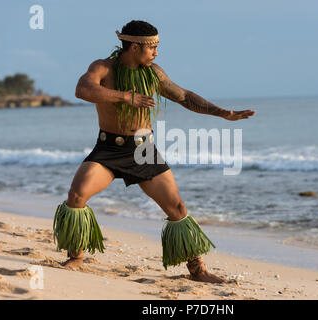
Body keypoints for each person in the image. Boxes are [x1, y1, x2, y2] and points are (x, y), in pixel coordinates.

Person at [52, 20, 255, 283]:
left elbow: (184, 96)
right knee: (76, 196)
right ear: (135, 47)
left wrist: (222, 113)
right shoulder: (103, 67)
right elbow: (83, 89)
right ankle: (77, 256)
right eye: (153, 48)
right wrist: (126, 97)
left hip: (143, 150)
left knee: (177, 208)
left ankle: (198, 270)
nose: (156, 53)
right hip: (108, 148)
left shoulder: (154, 73)